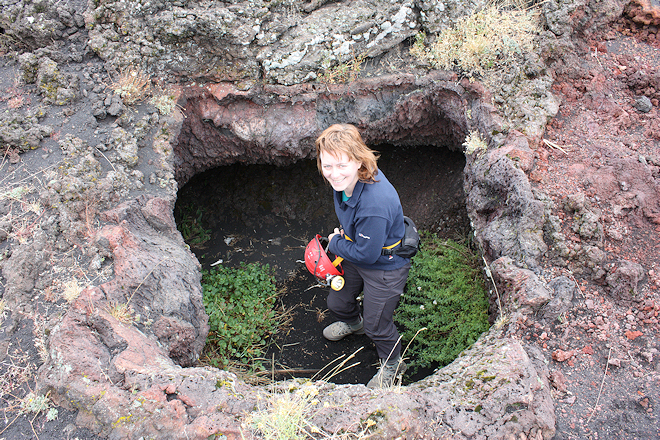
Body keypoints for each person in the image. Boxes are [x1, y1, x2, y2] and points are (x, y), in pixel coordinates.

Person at [315, 123, 411, 389]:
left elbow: (367, 255)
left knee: (377, 325)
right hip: (359, 250)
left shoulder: (374, 204)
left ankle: (392, 364)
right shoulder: (345, 182)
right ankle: (353, 323)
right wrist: (344, 239)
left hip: (384, 266)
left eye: (341, 165)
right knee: (337, 301)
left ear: (358, 161)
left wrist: (334, 243)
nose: (333, 174)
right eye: (327, 165)